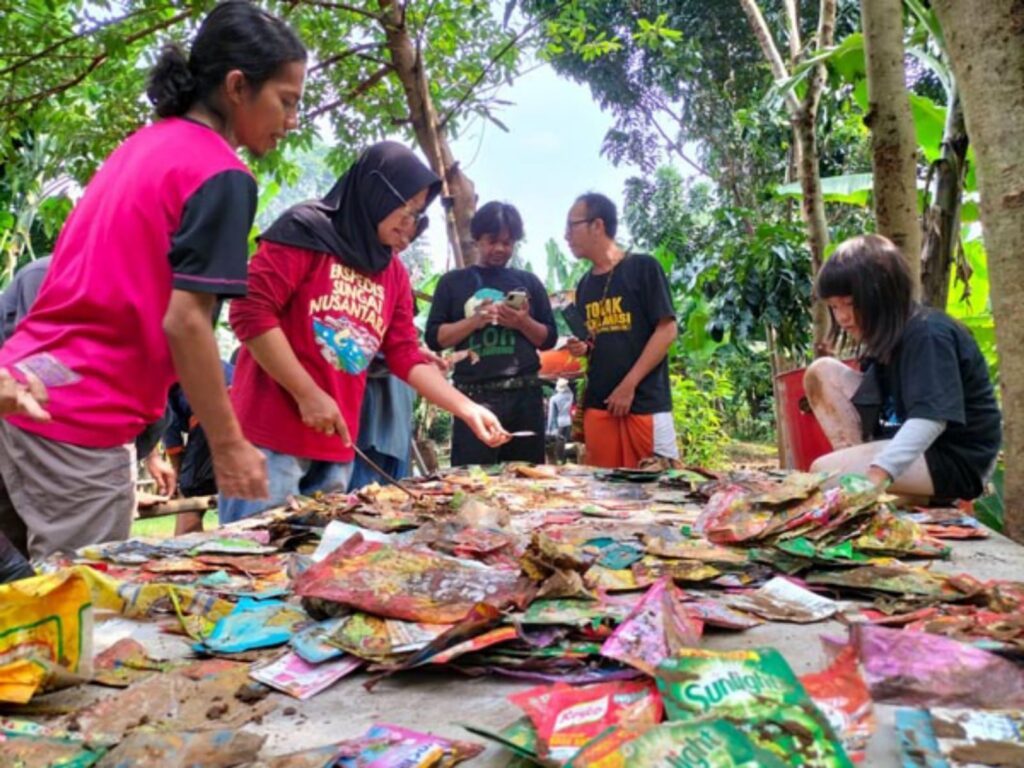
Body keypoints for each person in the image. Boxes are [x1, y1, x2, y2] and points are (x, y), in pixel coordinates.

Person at [0, 2, 306, 558]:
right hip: (78, 418)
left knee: (24, 606)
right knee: (80, 608)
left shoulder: (141, 147)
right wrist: (230, 444)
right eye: (286, 101)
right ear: (239, 86)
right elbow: (187, 322)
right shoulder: (222, 175)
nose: (292, 121)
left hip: (25, 385)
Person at [221, 142, 510, 522]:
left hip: (337, 447)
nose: (410, 229)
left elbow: (405, 356)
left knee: (315, 571)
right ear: (376, 193)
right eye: (405, 214)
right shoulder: (304, 232)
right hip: (269, 440)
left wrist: (467, 409)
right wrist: (306, 393)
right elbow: (250, 311)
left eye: (418, 219)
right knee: (254, 567)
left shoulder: (392, 273)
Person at [805, 234, 1001, 500]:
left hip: (950, 459)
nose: (842, 318)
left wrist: (876, 475)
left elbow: (930, 419)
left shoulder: (927, 333)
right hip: (907, 448)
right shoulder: (885, 338)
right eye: (834, 307)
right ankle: (872, 483)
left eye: (850, 304)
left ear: (881, 294)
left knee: (824, 472)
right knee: (822, 371)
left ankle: (876, 490)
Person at [425, 201, 557, 465]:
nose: (500, 249)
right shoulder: (453, 283)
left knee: (527, 481)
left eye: (508, 243)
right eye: (492, 240)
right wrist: (474, 321)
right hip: (473, 399)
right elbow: (434, 338)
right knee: (472, 482)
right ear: (477, 239)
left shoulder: (528, 282)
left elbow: (549, 339)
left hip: (525, 396)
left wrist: (522, 322)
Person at [564, 193, 679, 468]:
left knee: (662, 491)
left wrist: (628, 386)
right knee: (605, 497)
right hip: (599, 407)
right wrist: (583, 347)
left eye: (571, 225)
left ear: (597, 225)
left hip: (645, 404)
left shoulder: (643, 268)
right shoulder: (584, 285)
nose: (566, 235)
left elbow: (667, 330)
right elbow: (595, 341)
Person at [546, 378, 573, 463]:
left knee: (560, 441)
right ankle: (567, 459)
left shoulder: (554, 398)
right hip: (570, 421)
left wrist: (549, 429)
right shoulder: (571, 395)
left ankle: (560, 460)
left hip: (560, 422)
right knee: (568, 441)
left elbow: (551, 414)